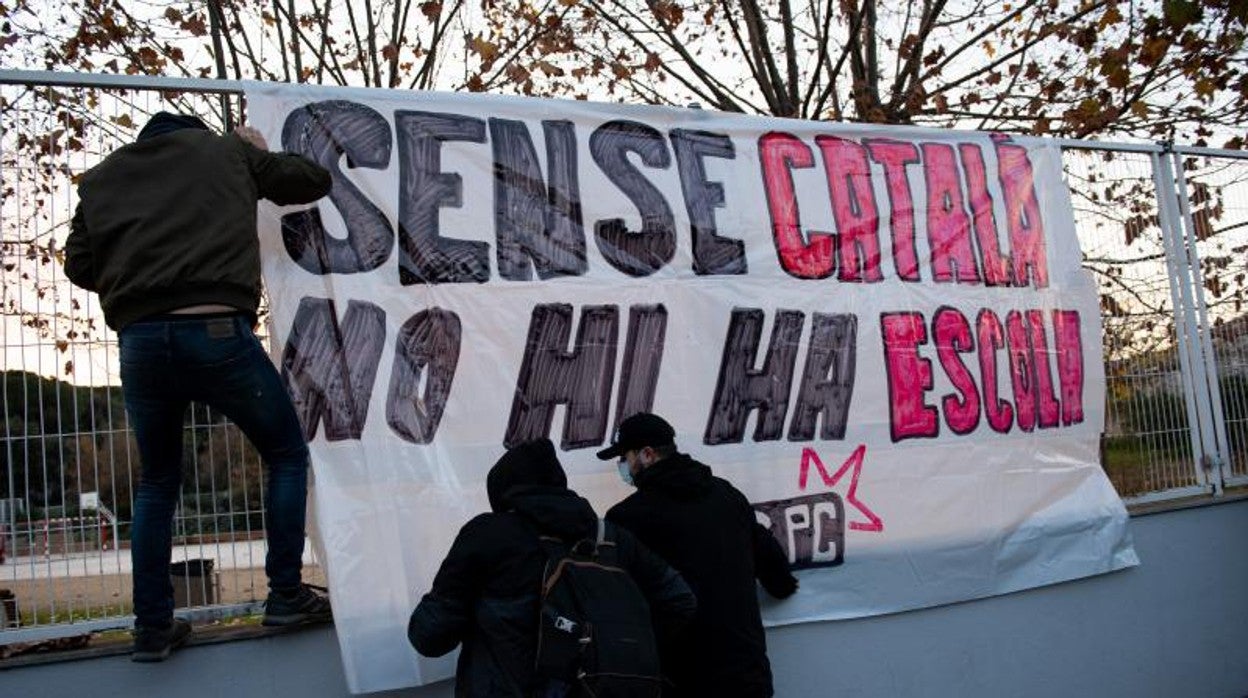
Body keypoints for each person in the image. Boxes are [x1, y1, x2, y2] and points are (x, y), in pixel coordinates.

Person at [63, 112, 333, 662]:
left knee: (158, 482)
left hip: (140, 345)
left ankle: (153, 628)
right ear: (192, 133)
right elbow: (310, 181)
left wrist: (138, 267)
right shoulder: (227, 152)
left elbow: (79, 266)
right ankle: (285, 593)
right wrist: (257, 149)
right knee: (283, 453)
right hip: (215, 331)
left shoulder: (100, 178)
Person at [408, 438, 697, 697]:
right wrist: (622, 641)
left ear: (503, 492)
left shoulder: (488, 534)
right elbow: (680, 599)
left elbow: (429, 636)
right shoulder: (611, 538)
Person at [599, 412, 799, 698]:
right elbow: (772, 565)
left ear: (647, 455)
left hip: (682, 675)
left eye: (625, 457)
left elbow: (620, 600)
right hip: (745, 670)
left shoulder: (628, 518)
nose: (623, 466)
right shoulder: (726, 496)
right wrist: (782, 586)